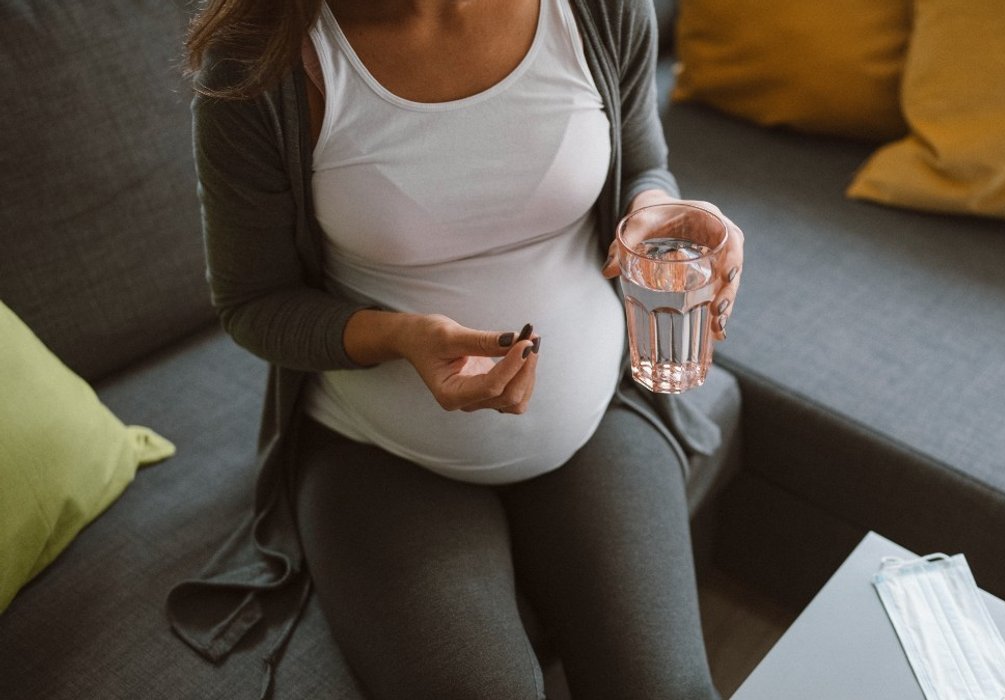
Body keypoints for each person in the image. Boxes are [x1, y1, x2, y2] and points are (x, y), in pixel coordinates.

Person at [168, 0, 745, 697]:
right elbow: (251, 303)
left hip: (598, 414)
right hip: (378, 451)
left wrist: (659, 212)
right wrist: (399, 337)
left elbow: (641, 162)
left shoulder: (598, 9)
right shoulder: (259, 57)